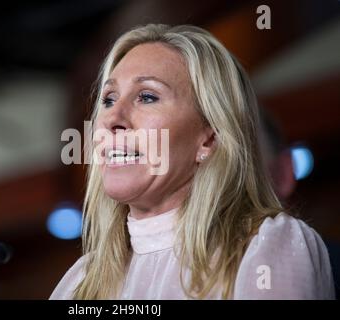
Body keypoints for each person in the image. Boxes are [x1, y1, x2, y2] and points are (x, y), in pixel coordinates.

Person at [50, 24, 335, 299]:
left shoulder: (266, 247)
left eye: (147, 97)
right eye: (109, 99)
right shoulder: (80, 281)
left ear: (208, 139)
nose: (112, 118)